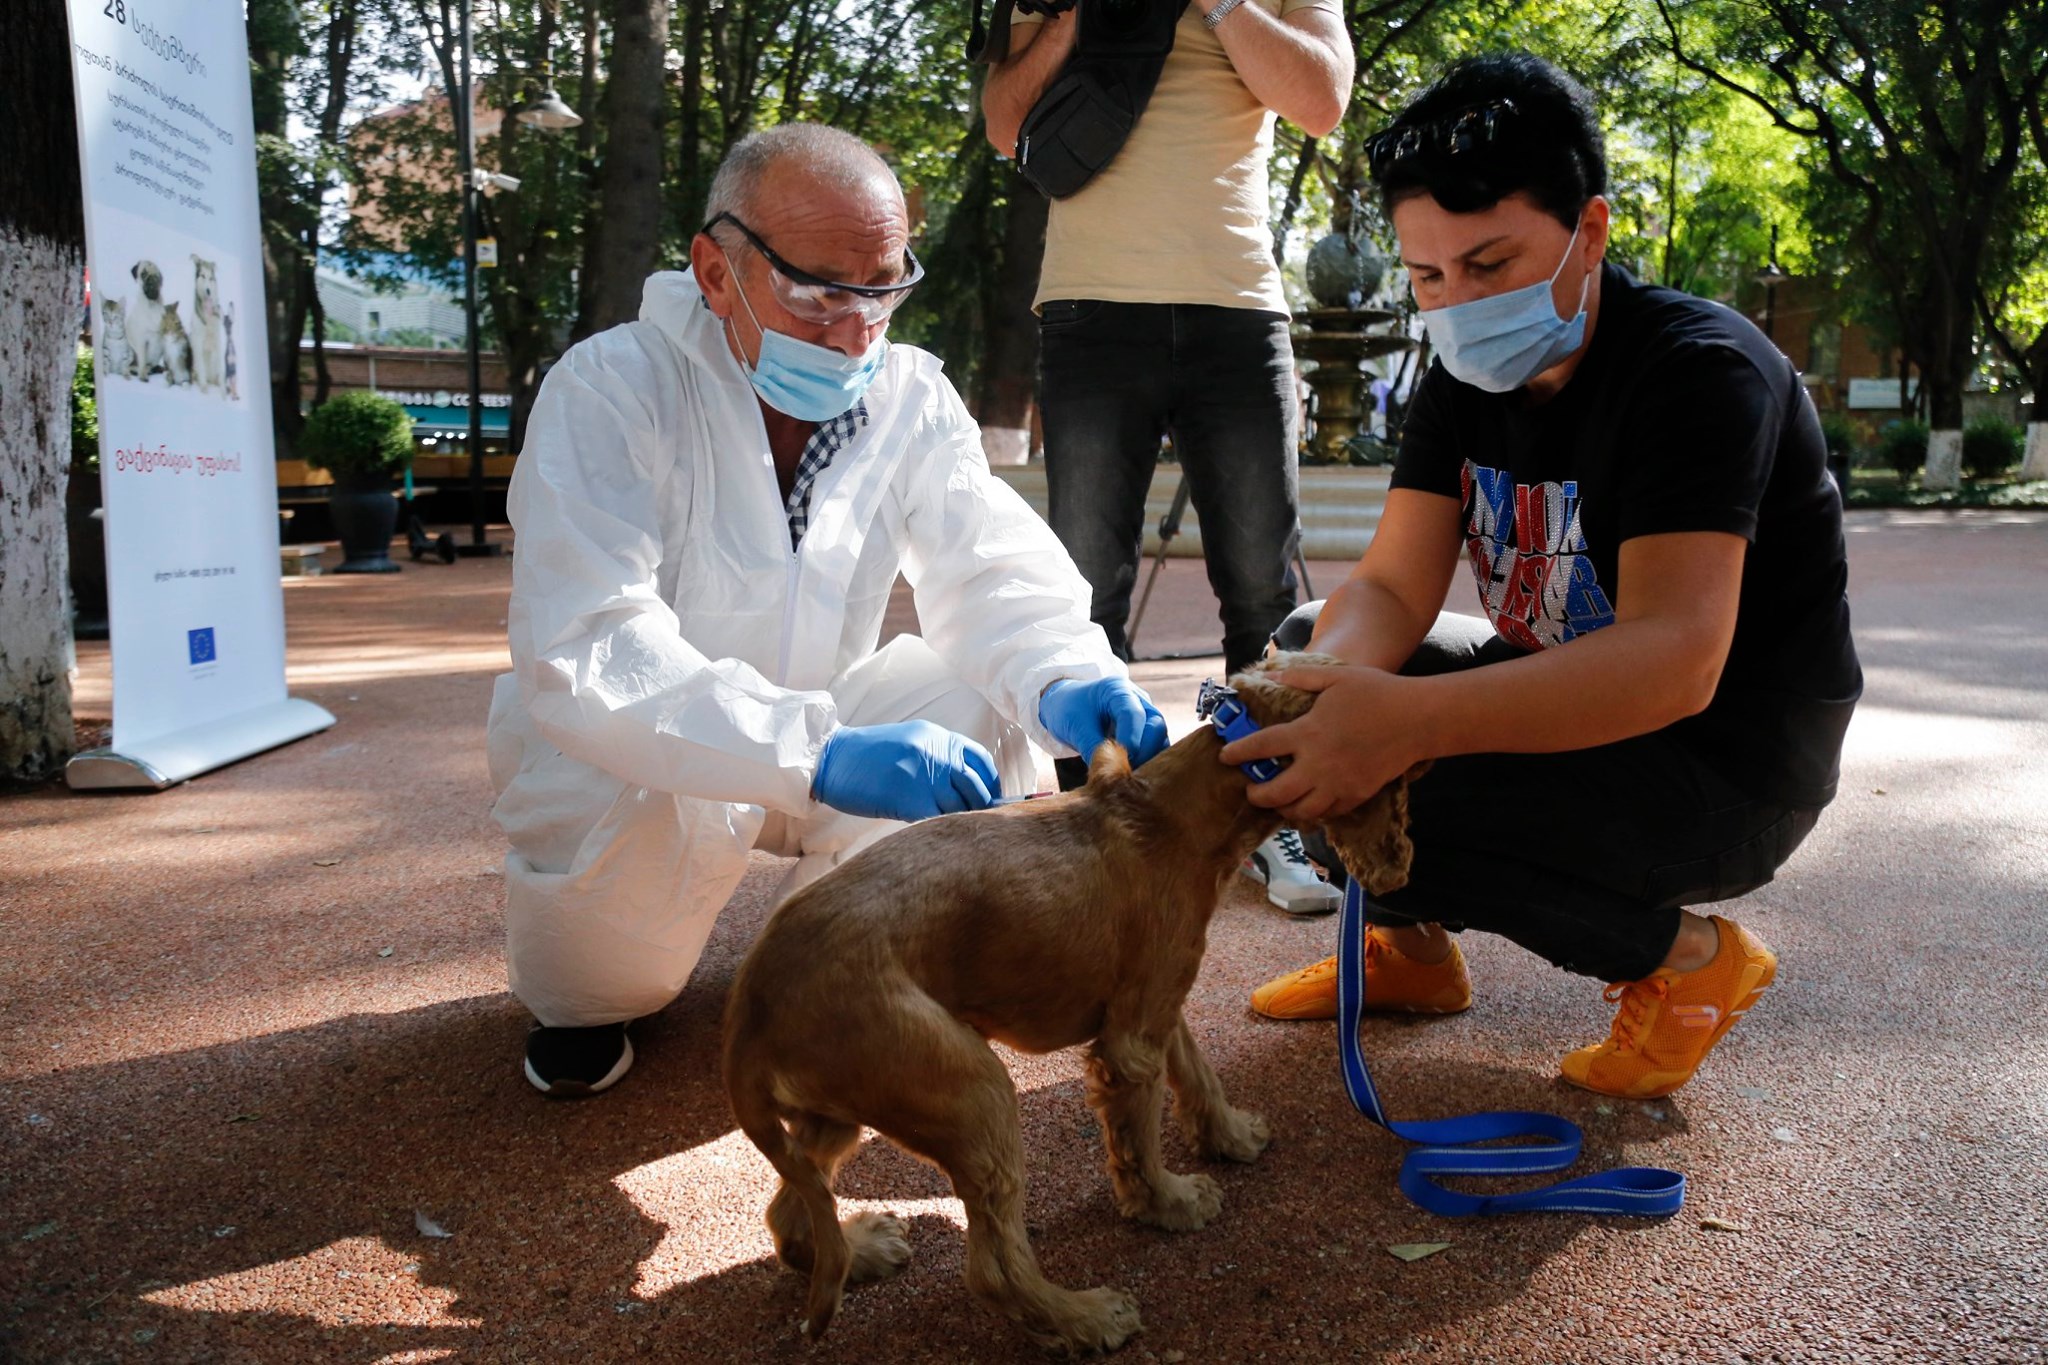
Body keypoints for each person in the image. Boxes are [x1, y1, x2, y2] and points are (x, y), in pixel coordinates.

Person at [1224, 53, 1861, 1100]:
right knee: (1309, 670)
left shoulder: (1698, 374)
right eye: (1427, 278)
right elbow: (1387, 590)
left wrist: (1398, 726)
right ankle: (1407, 955)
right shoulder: (1457, 377)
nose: (1456, 305)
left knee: (1402, 772)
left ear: (1591, 232)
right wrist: (1302, 702)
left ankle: (1692, 963)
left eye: (1489, 265)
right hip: (1583, 713)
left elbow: (1671, 662)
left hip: (1723, 768)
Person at [487, 124, 1167, 1098]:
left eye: (882, 290)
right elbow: (589, 642)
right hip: (655, 741)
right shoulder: (611, 387)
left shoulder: (910, 395)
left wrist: (1068, 677)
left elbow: (988, 573)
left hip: (828, 702)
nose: (856, 331)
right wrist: (814, 752)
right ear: (716, 274)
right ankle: (593, 990)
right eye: (817, 294)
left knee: (975, 699)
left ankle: (853, 965)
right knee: (599, 983)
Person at [982, 0, 1355, 915]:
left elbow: (1321, 102)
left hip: (1239, 310)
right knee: (1082, 597)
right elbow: (1003, 124)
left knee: (1263, 594)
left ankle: (1273, 829)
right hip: (1088, 309)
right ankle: (1095, 829)